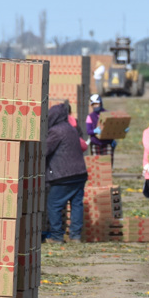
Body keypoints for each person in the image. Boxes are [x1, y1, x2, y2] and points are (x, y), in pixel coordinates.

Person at [43, 103, 88, 243]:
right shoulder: (71, 129)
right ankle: (75, 236)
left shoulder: (56, 131)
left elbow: (44, 150)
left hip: (63, 175)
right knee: (76, 204)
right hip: (80, 173)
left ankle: (57, 237)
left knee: (54, 205)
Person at [86, 94, 115, 163]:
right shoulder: (90, 117)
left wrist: (122, 129)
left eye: (97, 104)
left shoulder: (107, 114)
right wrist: (95, 131)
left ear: (100, 103)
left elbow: (113, 126)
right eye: (93, 105)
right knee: (97, 163)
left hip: (107, 142)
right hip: (96, 143)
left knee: (108, 163)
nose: (95, 106)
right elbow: (88, 131)